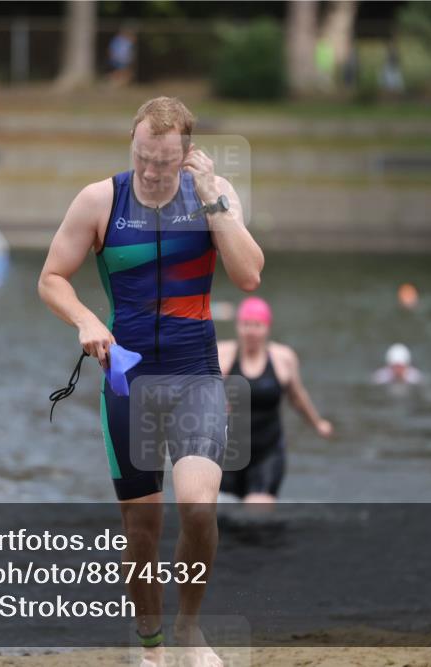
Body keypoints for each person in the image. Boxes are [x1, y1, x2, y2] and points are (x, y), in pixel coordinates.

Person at [38, 97, 264, 667]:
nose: (151, 171)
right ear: (133, 144)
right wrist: (86, 320)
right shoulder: (101, 200)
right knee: (142, 528)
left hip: (195, 375)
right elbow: (51, 278)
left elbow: (249, 274)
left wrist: (212, 199)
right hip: (127, 381)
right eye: (142, 156)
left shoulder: (214, 194)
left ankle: (189, 629)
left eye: (164, 161)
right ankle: (151, 649)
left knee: (198, 508)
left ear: (186, 155)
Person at [217, 297, 333, 504]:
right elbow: (199, 392)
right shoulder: (222, 354)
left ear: (267, 327)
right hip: (229, 454)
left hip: (267, 452)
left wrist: (317, 423)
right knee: (222, 514)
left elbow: (297, 397)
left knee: (257, 511)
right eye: (246, 324)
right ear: (238, 326)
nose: (251, 331)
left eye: (257, 325)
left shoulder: (283, 358)